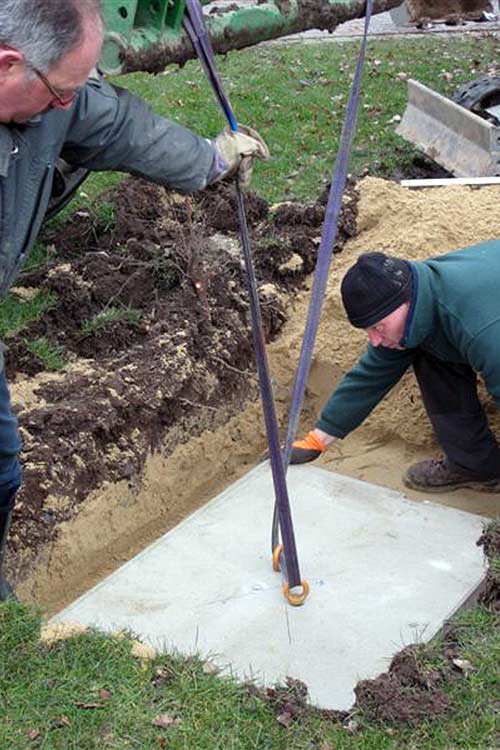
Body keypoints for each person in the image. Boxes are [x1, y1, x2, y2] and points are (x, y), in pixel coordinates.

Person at [0, 0, 270, 600]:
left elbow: (118, 126)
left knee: (2, 464)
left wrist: (209, 160)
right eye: (60, 91)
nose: (67, 106)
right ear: (6, 65)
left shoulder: (46, 102)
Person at [290, 245, 500, 494]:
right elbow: (370, 377)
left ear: (406, 302)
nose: (375, 340)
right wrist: (317, 440)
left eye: (377, 327)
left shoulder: (482, 330)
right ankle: (475, 465)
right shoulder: (414, 303)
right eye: (368, 330)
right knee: (428, 353)